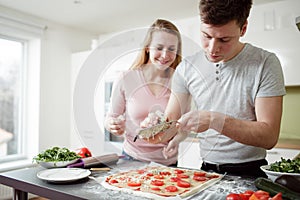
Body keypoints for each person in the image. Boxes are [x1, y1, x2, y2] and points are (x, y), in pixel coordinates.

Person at [163, 0, 286, 177]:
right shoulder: (187, 67)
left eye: (224, 39)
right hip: (206, 172)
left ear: (243, 29)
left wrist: (214, 120)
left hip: (251, 172)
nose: (212, 49)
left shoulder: (265, 62)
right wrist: (154, 123)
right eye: (206, 36)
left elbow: (269, 137)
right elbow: (170, 123)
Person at [104, 19, 183, 166]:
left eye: (171, 49)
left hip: (167, 163)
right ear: (147, 48)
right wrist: (113, 124)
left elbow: (182, 125)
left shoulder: (180, 82)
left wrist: (177, 140)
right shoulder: (126, 78)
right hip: (131, 158)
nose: (165, 55)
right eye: (159, 47)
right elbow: (111, 118)